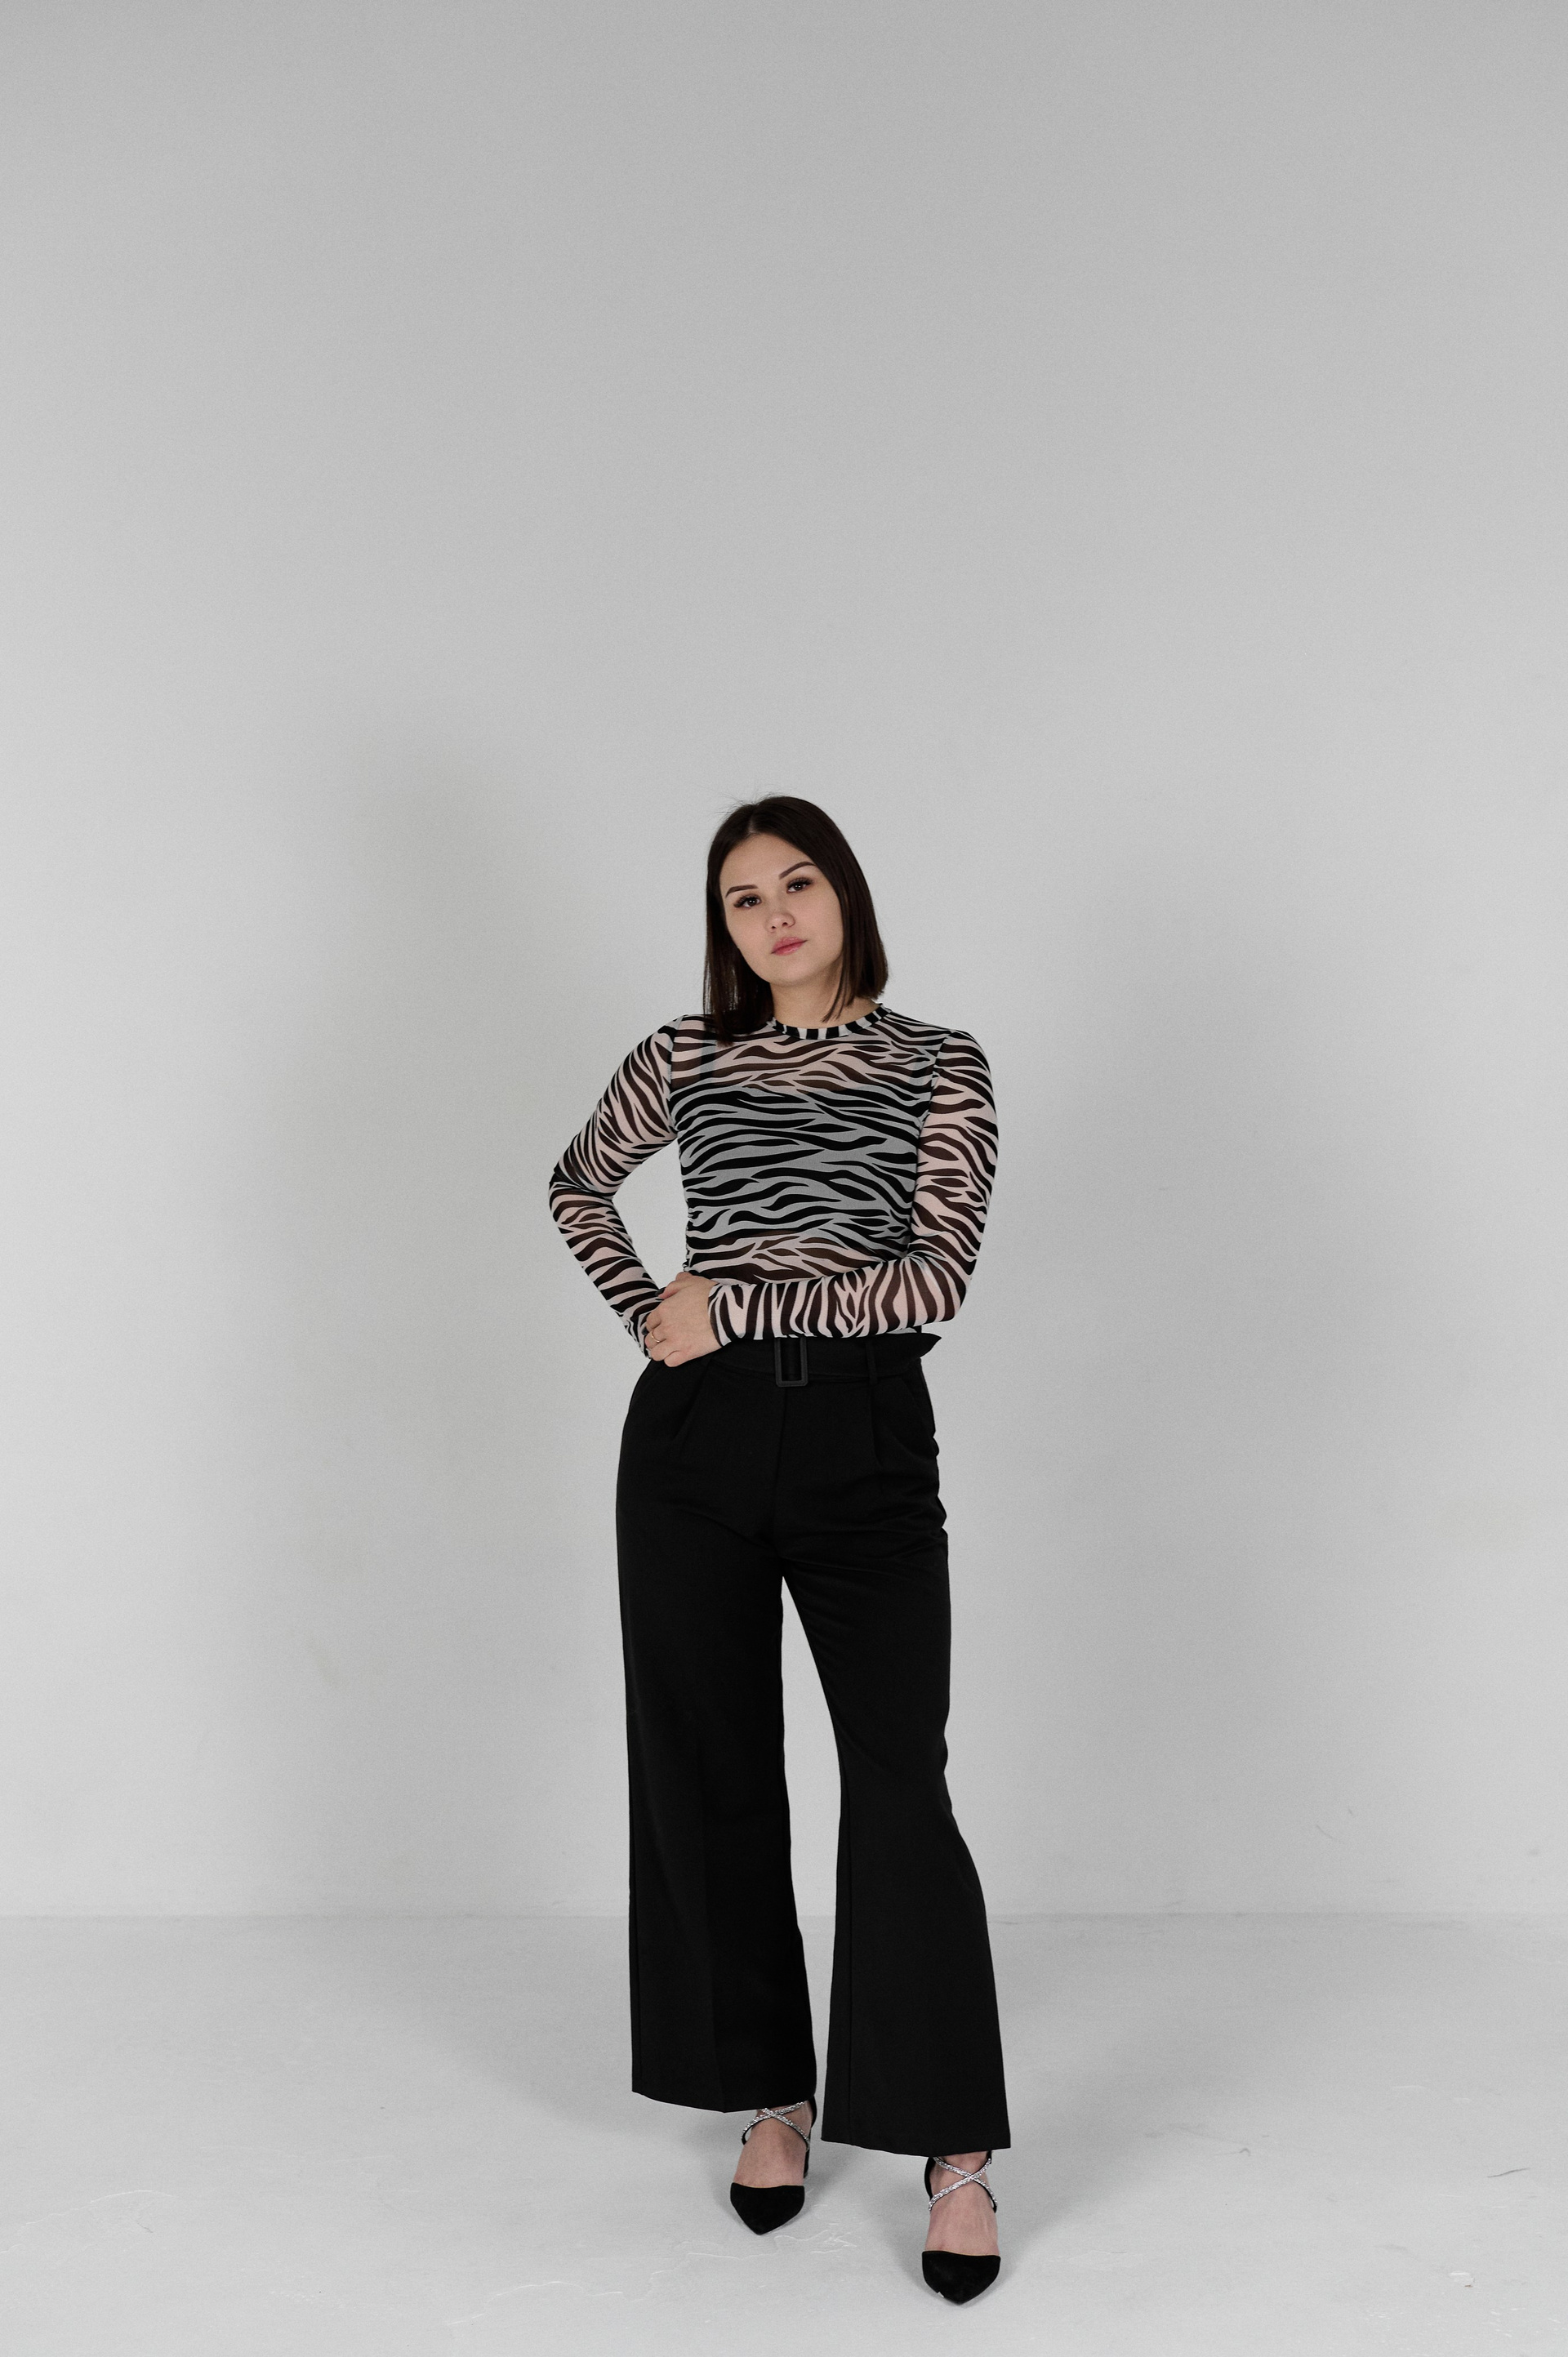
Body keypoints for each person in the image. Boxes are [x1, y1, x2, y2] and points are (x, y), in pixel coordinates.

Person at [548, 795, 1009, 2304]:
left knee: (899, 1778)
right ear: (725, 927)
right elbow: (575, 1180)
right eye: (742, 899)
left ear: (844, 891)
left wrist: (735, 1301)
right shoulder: (684, 1055)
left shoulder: (939, 1062)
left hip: (866, 1439)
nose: (774, 916)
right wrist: (650, 1314)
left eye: (796, 882)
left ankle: (952, 2144)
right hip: (695, 1446)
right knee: (711, 1766)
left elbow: (932, 1277)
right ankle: (770, 2090)